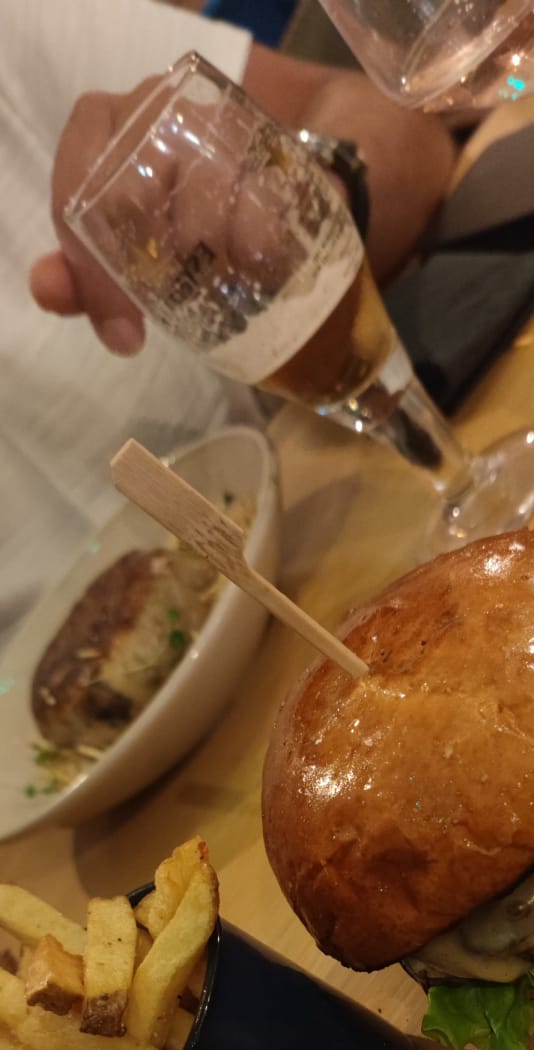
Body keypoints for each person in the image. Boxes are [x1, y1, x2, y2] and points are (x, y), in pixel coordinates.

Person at [2, 0, 454, 634]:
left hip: (343, 543)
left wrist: (302, 197)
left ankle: (455, 475)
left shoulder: (19, 35)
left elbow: (403, 132)